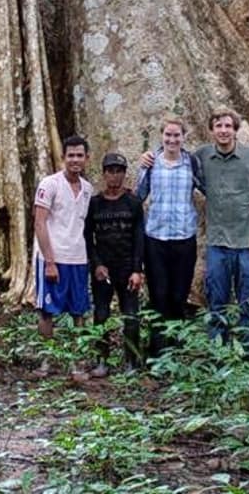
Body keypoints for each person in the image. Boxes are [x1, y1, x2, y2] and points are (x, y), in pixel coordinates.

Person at [198, 107, 249, 355]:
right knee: (216, 301)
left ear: (235, 130)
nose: (223, 131)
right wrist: (150, 157)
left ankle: (247, 354)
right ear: (211, 130)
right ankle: (218, 354)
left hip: (247, 242)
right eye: (218, 126)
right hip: (217, 242)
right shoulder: (202, 157)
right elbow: (174, 160)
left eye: (228, 126)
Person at [134, 116, 205, 356]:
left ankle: (175, 347)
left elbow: (210, 189)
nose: (172, 139)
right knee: (158, 294)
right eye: (168, 135)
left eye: (177, 135)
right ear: (161, 136)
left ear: (184, 137)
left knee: (178, 294)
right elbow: (138, 195)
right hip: (155, 238)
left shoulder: (191, 163)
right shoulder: (151, 163)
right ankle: (155, 350)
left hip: (184, 238)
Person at [84, 152, 146, 376]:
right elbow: (87, 237)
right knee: (101, 315)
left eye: (119, 171)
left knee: (130, 316)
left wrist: (137, 270)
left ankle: (132, 361)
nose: (114, 176)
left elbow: (140, 238)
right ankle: (102, 360)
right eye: (110, 171)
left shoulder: (133, 203)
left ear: (124, 174)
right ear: (103, 174)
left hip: (127, 267)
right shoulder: (95, 204)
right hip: (103, 270)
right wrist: (97, 264)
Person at [32, 135, 94, 341]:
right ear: (63, 157)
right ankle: (46, 361)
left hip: (78, 258)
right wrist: (49, 262)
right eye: (71, 156)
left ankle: (77, 361)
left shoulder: (87, 189)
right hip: (53, 257)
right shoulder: (50, 184)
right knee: (47, 311)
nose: (75, 160)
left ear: (87, 158)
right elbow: (40, 223)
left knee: (79, 310)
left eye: (79, 155)